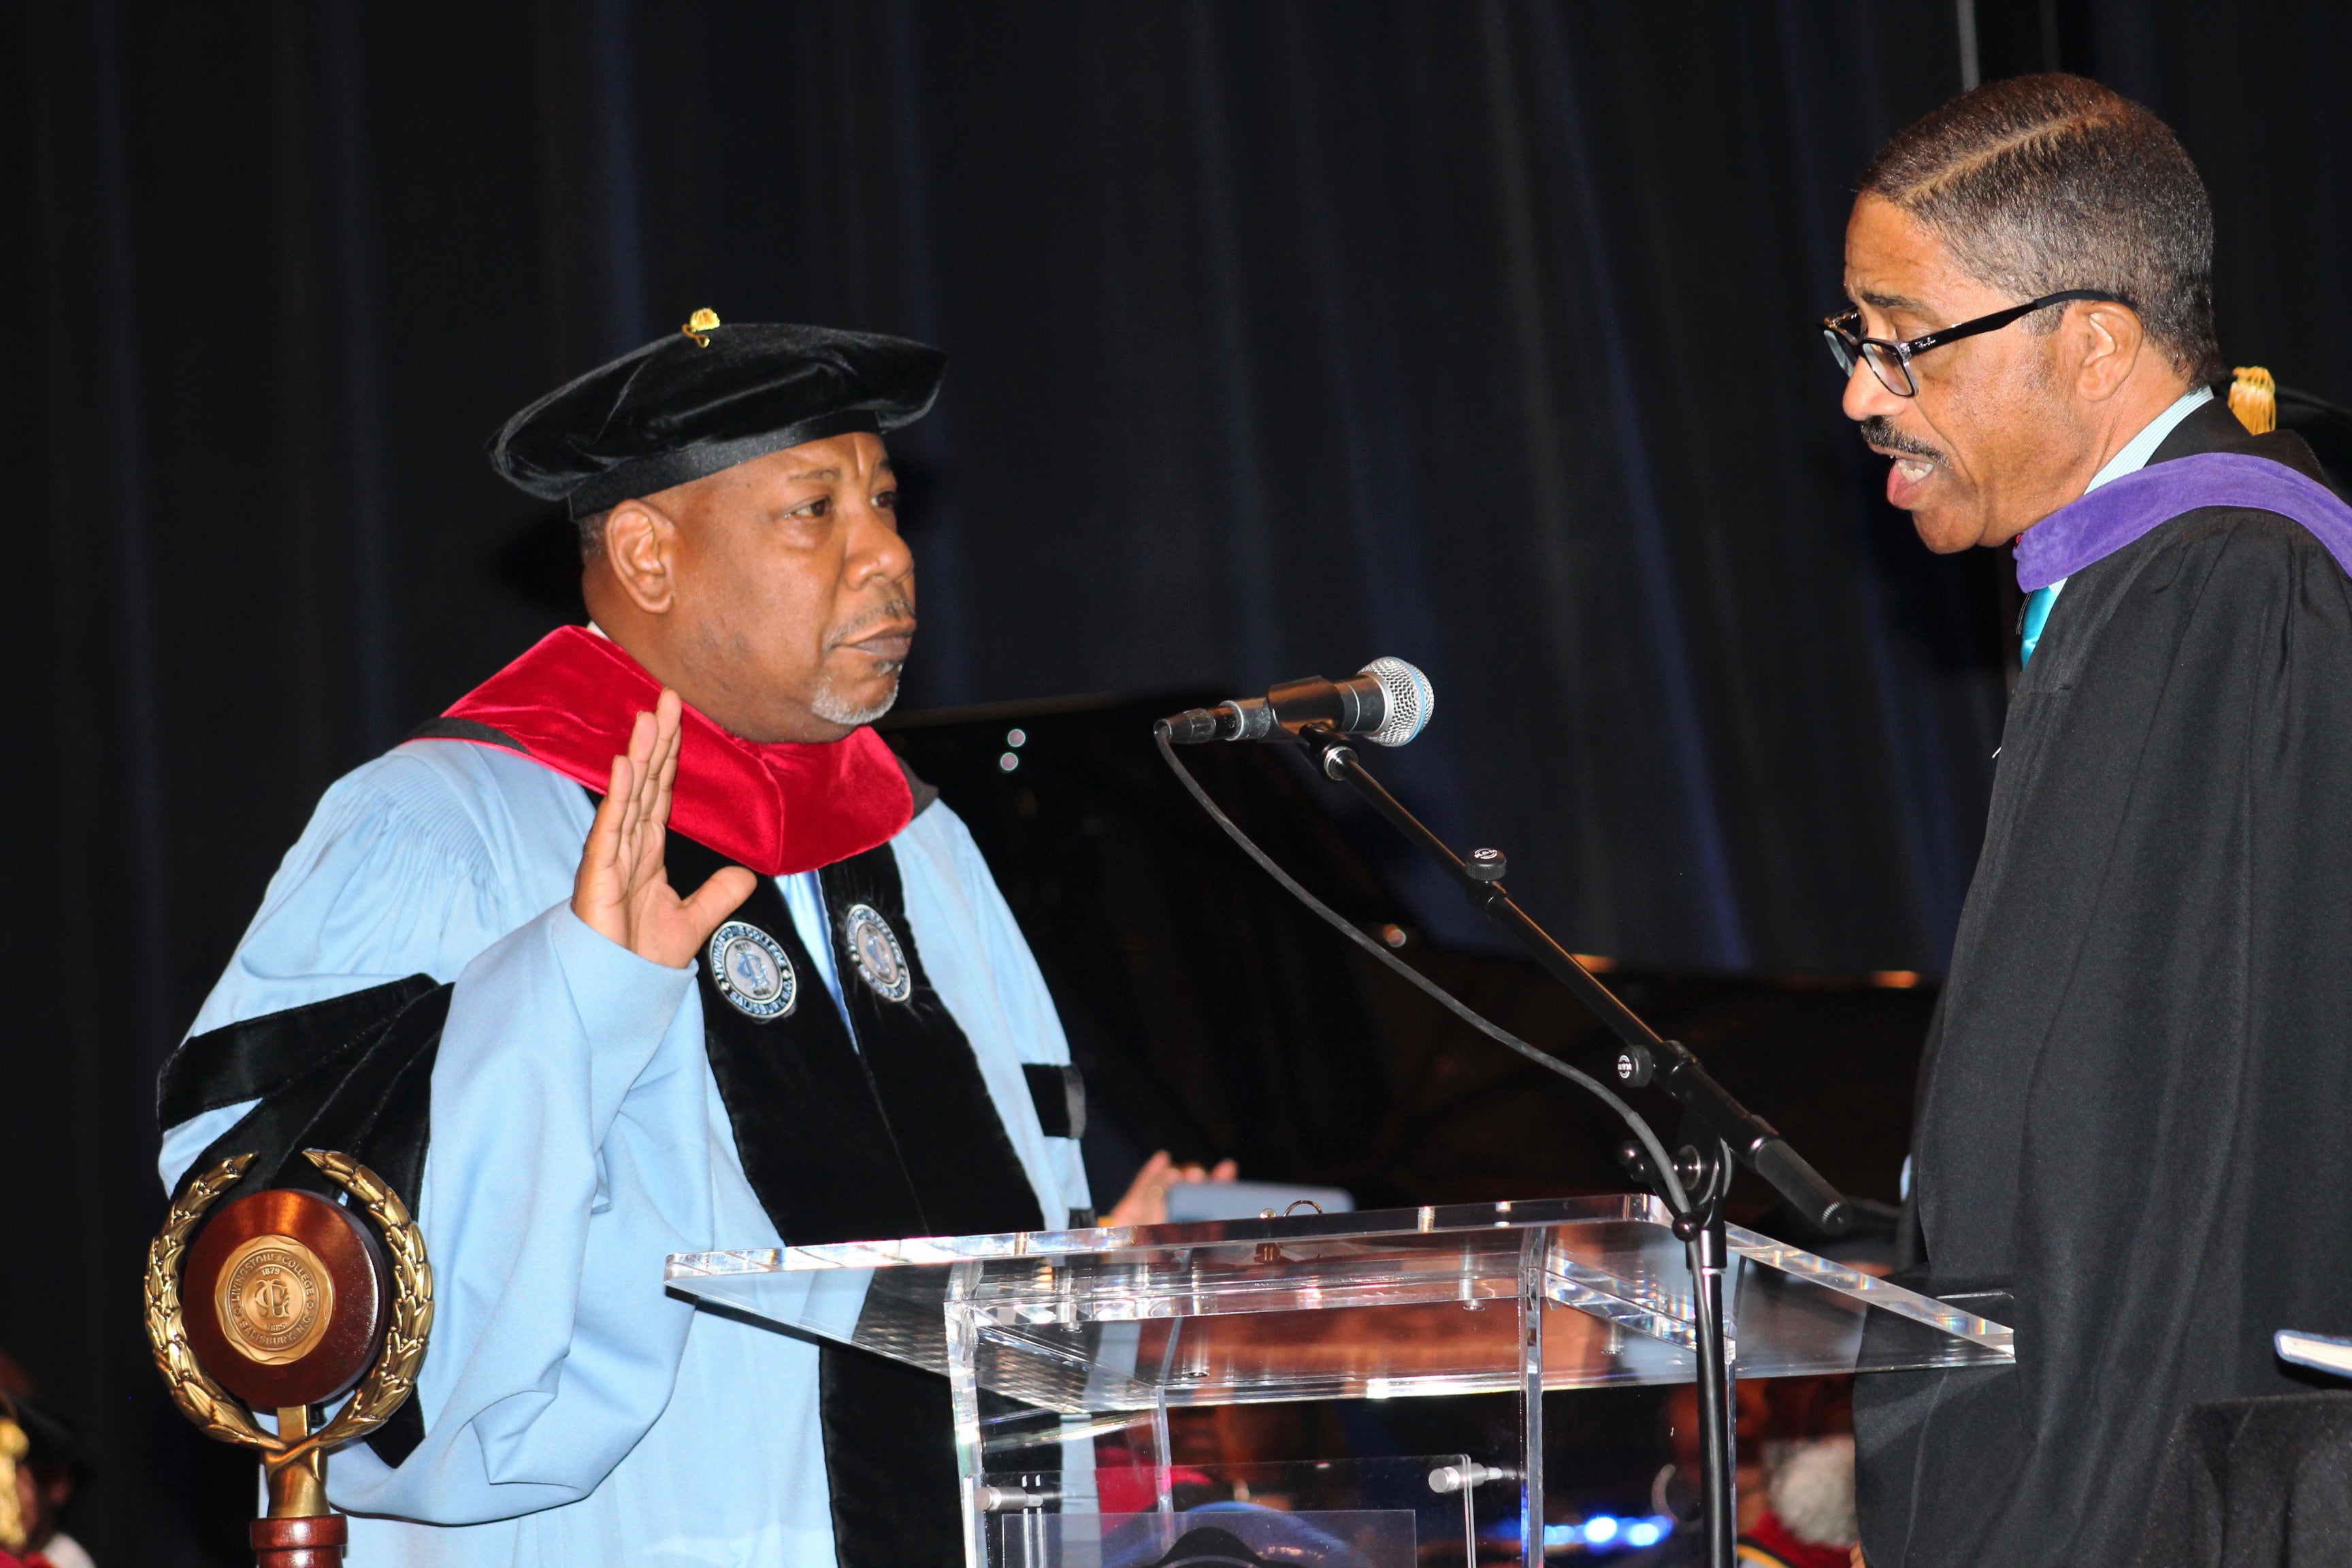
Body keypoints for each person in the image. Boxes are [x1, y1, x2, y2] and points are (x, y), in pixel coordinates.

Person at [153, 316, 1182, 1567]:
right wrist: (571, 993)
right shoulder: (442, 823)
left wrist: (1079, 1287)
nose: (889, 558)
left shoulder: (917, 844)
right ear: (646, 552)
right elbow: (267, 1267)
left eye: (886, 501)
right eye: (815, 511)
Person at [1828, 77, 2352, 1567]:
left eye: (1899, 339)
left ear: (2095, 342)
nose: (1863, 393)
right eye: (1853, 341)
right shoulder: (2181, 578)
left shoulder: (2211, 590)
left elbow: (2118, 1183)